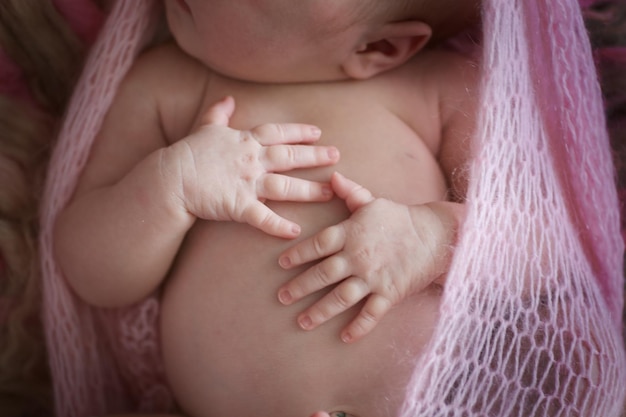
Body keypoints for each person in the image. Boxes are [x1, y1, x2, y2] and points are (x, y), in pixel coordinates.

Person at [53, 0, 480, 416]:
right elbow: (90, 272)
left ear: (378, 48)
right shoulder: (166, 86)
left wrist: (433, 238)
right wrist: (171, 185)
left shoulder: (441, 89)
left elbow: (538, 247)